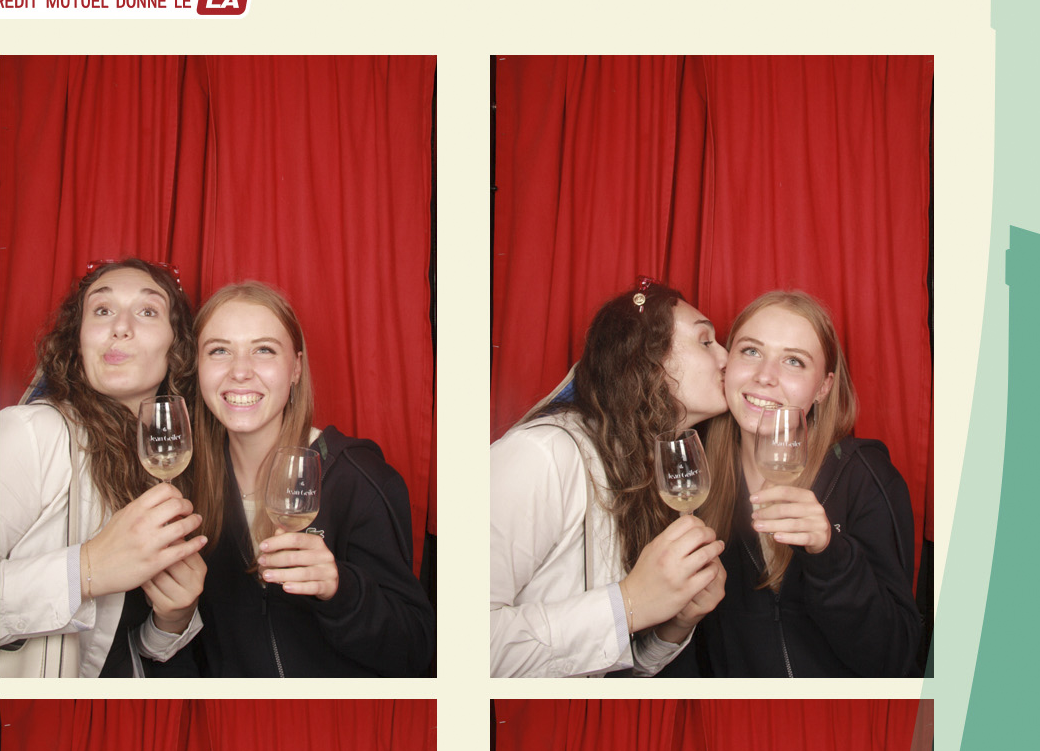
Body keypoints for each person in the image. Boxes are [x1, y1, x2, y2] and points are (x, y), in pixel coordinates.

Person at [186, 282, 434, 677]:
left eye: (264, 350)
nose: (240, 371)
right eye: (219, 350)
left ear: (296, 368)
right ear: (198, 366)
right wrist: (171, 621)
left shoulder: (359, 480)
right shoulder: (186, 487)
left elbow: (418, 650)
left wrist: (341, 590)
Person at [490, 284, 729, 678]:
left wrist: (674, 626)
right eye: (706, 341)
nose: (726, 357)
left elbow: (609, 673)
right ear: (648, 360)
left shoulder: (652, 468)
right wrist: (628, 603)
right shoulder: (542, 455)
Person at [694, 291, 922, 676]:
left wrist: (830, 556)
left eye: (794, 361)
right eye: (751, 351)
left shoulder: (866, 477)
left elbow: (897, 660)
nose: (765, 376)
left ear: (823, 388)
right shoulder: (694, 482)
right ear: (726, 363)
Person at [1, 259, 209, 677]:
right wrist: (87, 569)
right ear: (78, 340)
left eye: (147, 311)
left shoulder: (166, 460)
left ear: (177, 347)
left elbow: (121, 646)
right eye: (102, 310)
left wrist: (173, 619)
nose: (121, 327)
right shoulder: (32, 432)